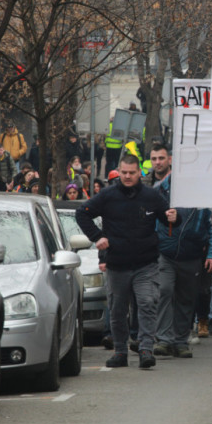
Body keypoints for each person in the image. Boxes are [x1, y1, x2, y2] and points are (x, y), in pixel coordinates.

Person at [76, 154, 179, 369]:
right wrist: (97, 237)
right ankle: (120, 351)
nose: (128, 176)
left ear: (139, 173)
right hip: (117, 264)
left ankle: (145, 349)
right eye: (124, 173)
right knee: (117, 309)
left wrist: (173, 218)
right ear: (119, 171)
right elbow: (82, 213)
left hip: (146, 263)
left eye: (132, 173)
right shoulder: (107, 195)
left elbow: (168, 218)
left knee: (147, 303)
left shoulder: (151, 196)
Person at [153, 169, 212, 359]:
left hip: (192, 256)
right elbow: (149, 220)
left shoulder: (204, 196)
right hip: (165, 254)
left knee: (186, 298)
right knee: (164, 291)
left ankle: (181, 341)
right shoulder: (160, 191)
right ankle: (164, 340)